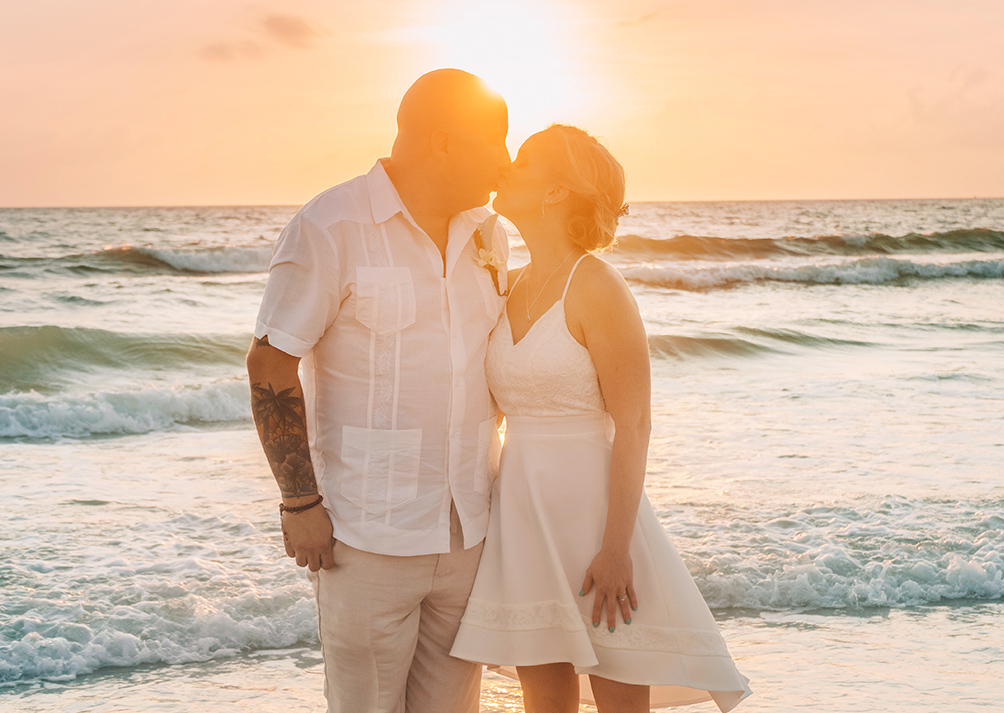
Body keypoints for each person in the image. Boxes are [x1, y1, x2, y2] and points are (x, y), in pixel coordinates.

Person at [450, 125, 752, 712]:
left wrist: (616, 549)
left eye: (527, 160)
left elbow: (634, 425)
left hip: (597, 519)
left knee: (619, 695)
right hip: (522, 515)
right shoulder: (504, 287)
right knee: (544, 702)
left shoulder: (598, 288)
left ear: (557, 192)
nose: (508, 166)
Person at [246, 68, 511, 713]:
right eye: (496, 141)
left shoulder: (489, 235)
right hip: (365, 536)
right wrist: (299, 500)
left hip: (468, 529)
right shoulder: (331, 224)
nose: (507, 160)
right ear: (445, 142)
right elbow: (270, 364)